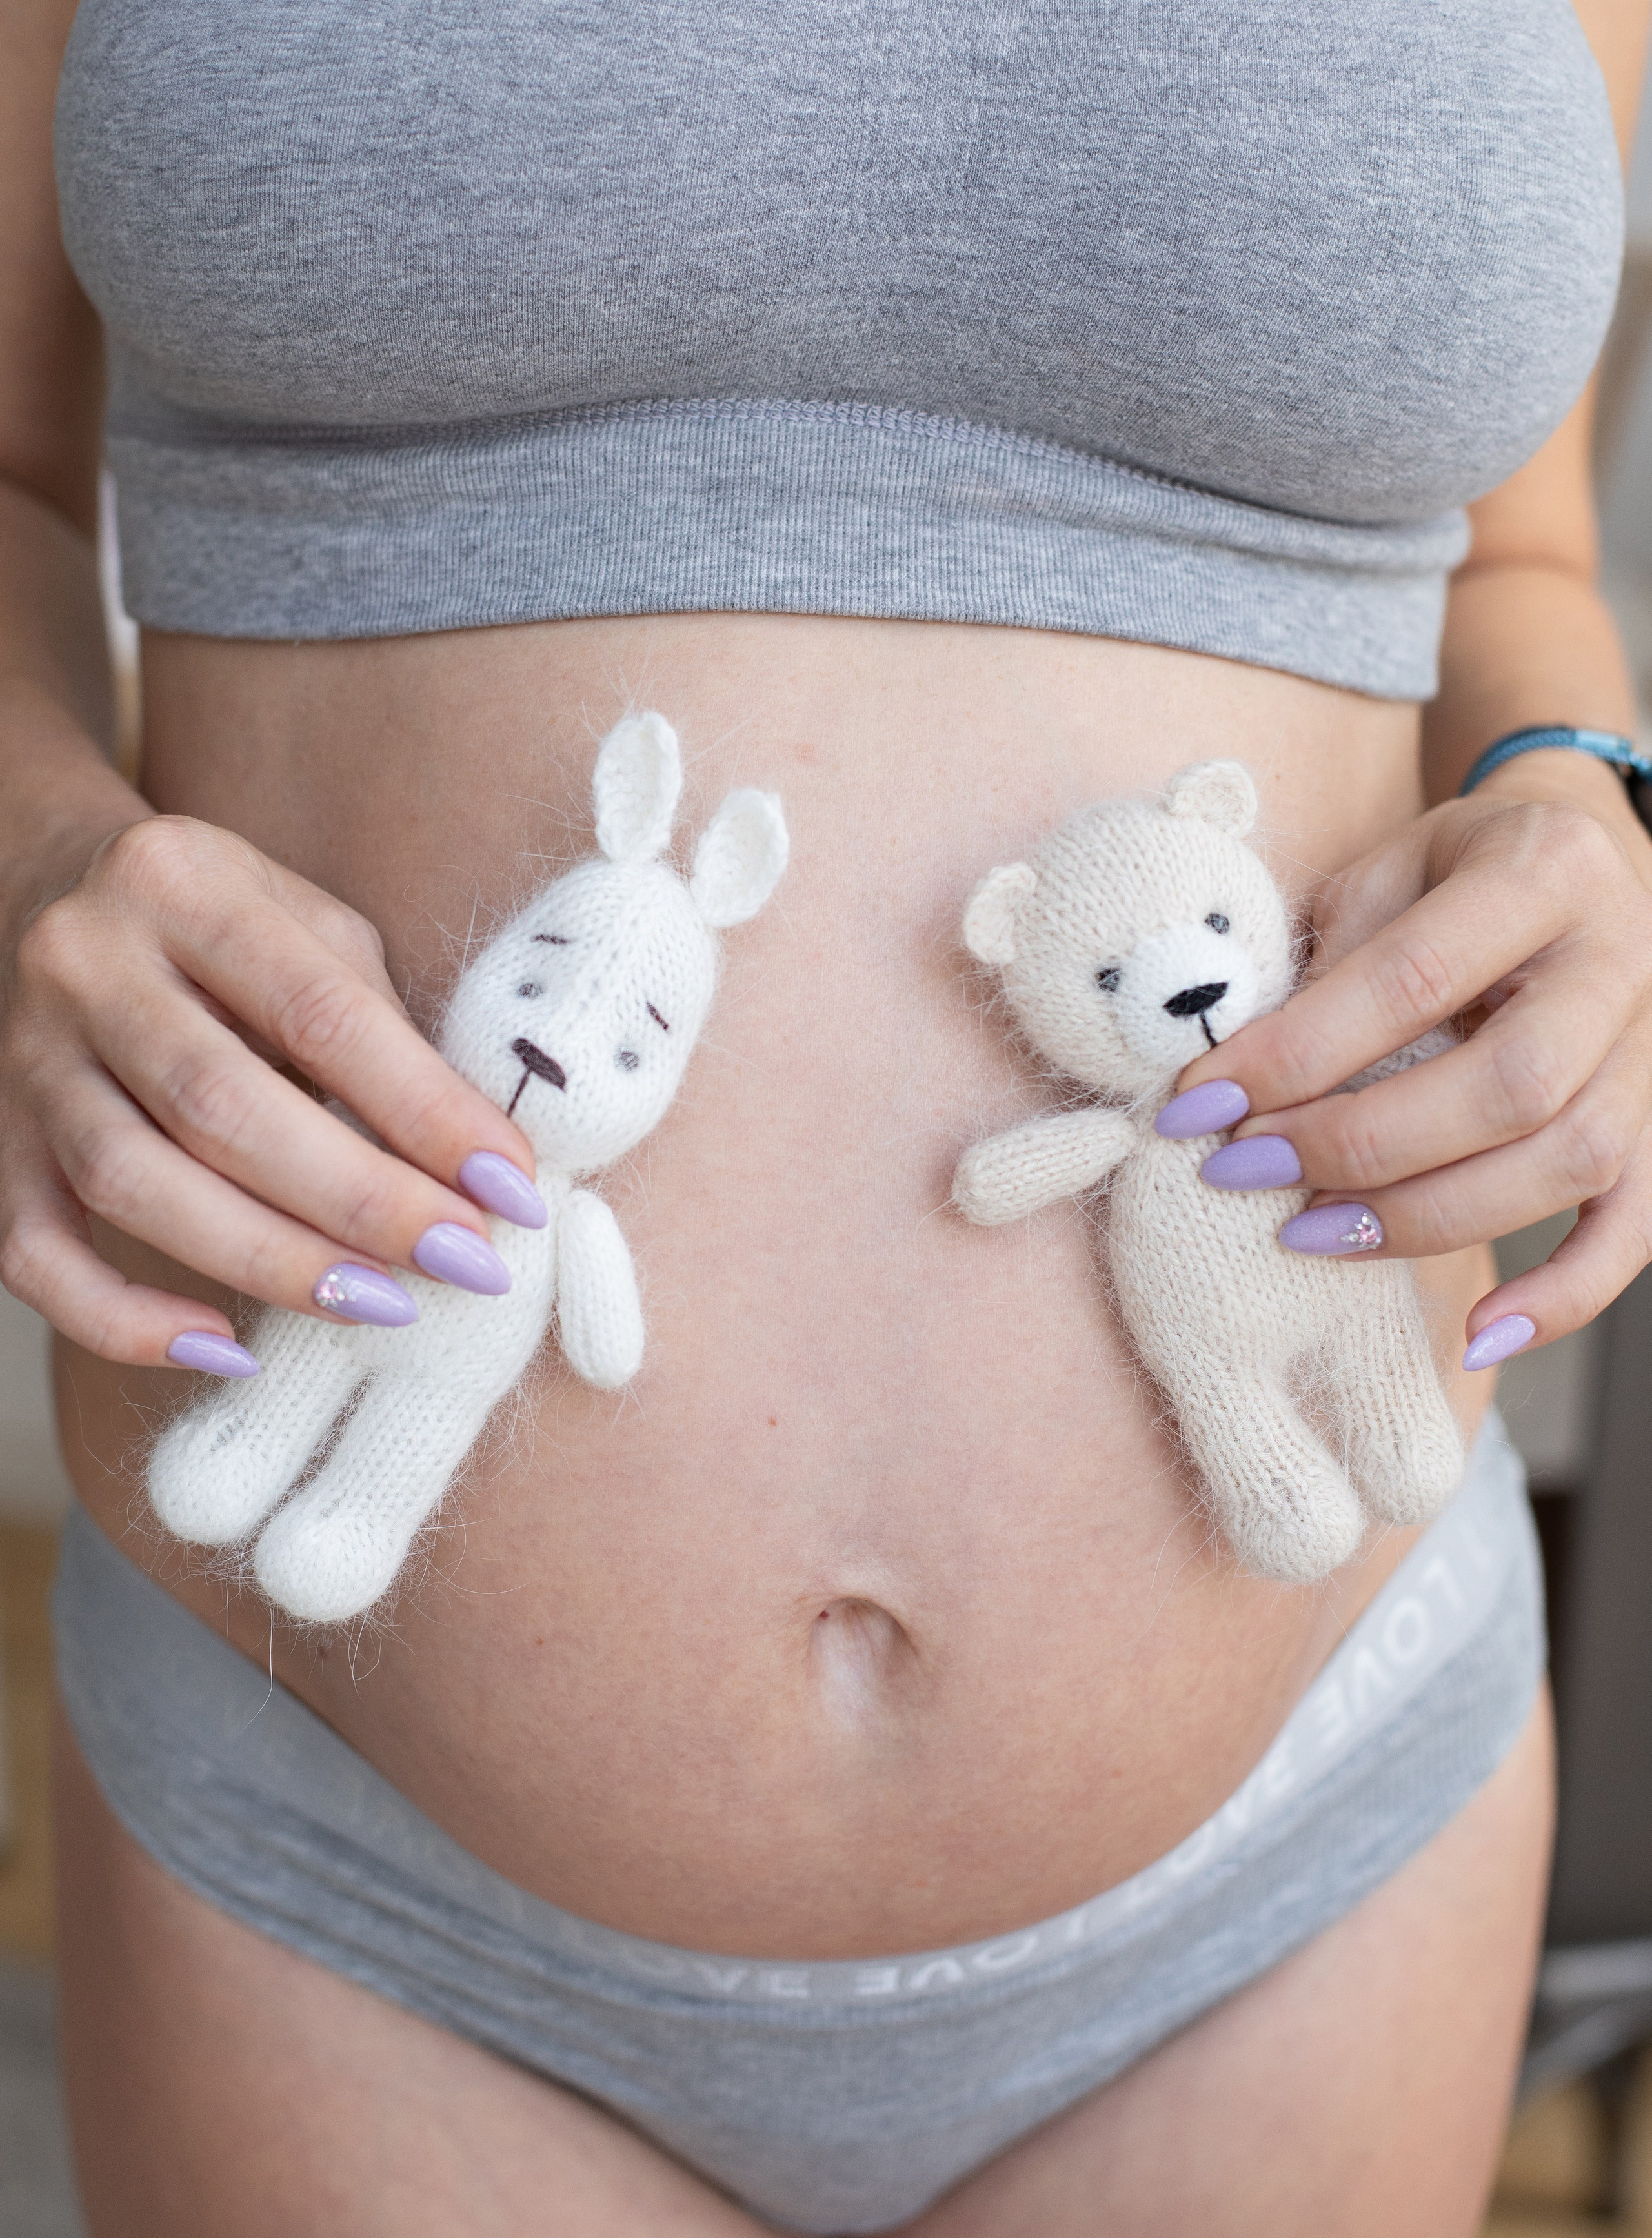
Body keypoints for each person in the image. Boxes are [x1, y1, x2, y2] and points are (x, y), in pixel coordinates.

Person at [5, 1, 1652, 2230]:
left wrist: (1581, 804)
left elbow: (1520, 559)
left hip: (1305, 1821)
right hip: (336, 1833)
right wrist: (22, 854)